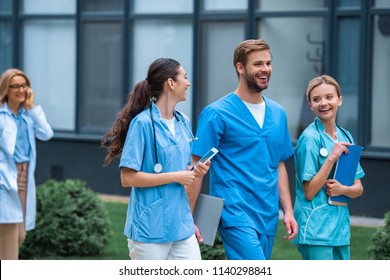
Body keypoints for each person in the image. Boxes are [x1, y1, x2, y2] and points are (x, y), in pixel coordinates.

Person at [187, 39, 298, 260]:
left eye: (268, 63)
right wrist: (188, 218)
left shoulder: (278, 114)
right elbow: (196, 167)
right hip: (234, 212)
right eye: (258, 64)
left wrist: (288, 211)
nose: (265, 69)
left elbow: (279, 165)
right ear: (240, 67)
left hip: (267, 212)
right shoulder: (216, 113)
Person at [101, 58, 209, 260]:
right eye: (184, 78)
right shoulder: (142, 124)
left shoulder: (183, 122)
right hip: (150, 227)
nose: (188, 83)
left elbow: (181, 167)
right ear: (170, 83)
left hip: (181, 225)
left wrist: (195, 170)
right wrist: (176, 176)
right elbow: (128, 178)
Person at [293, 75, 364, 260]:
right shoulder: (310, 139)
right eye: (316, 99)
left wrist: (343, 189)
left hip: (340, 230)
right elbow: (309, 192)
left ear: (339, 100)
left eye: (329, 97)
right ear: (310, 105)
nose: (323, 103)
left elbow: (358, 188)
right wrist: (331, 158)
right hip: (316, 229)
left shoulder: (345, 136)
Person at [0, 68, 53, 260]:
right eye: (15, 86)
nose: (21, 90)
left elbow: (46, 134)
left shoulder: (28, 116)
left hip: (24, 178)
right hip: (5, 179)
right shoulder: (1, 116)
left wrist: (31, 107)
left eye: (24, 85)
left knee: (20, 235)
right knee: (10, 236)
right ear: (6, 89)